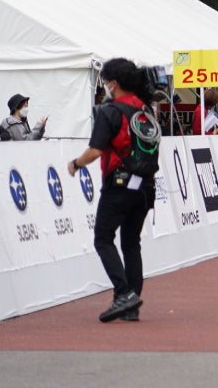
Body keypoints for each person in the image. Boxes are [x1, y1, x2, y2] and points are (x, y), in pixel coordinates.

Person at [67, 58, 156, 322]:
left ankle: (123, 293)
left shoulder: (111, 112)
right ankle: (132, 305)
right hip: (145, 184)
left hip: (119, 183)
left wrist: (75, 164)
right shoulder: (145, 109)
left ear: (114, 84)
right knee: (131, 243)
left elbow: (95, 151)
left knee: (103, 237)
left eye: (106, 82)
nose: (105, 87)